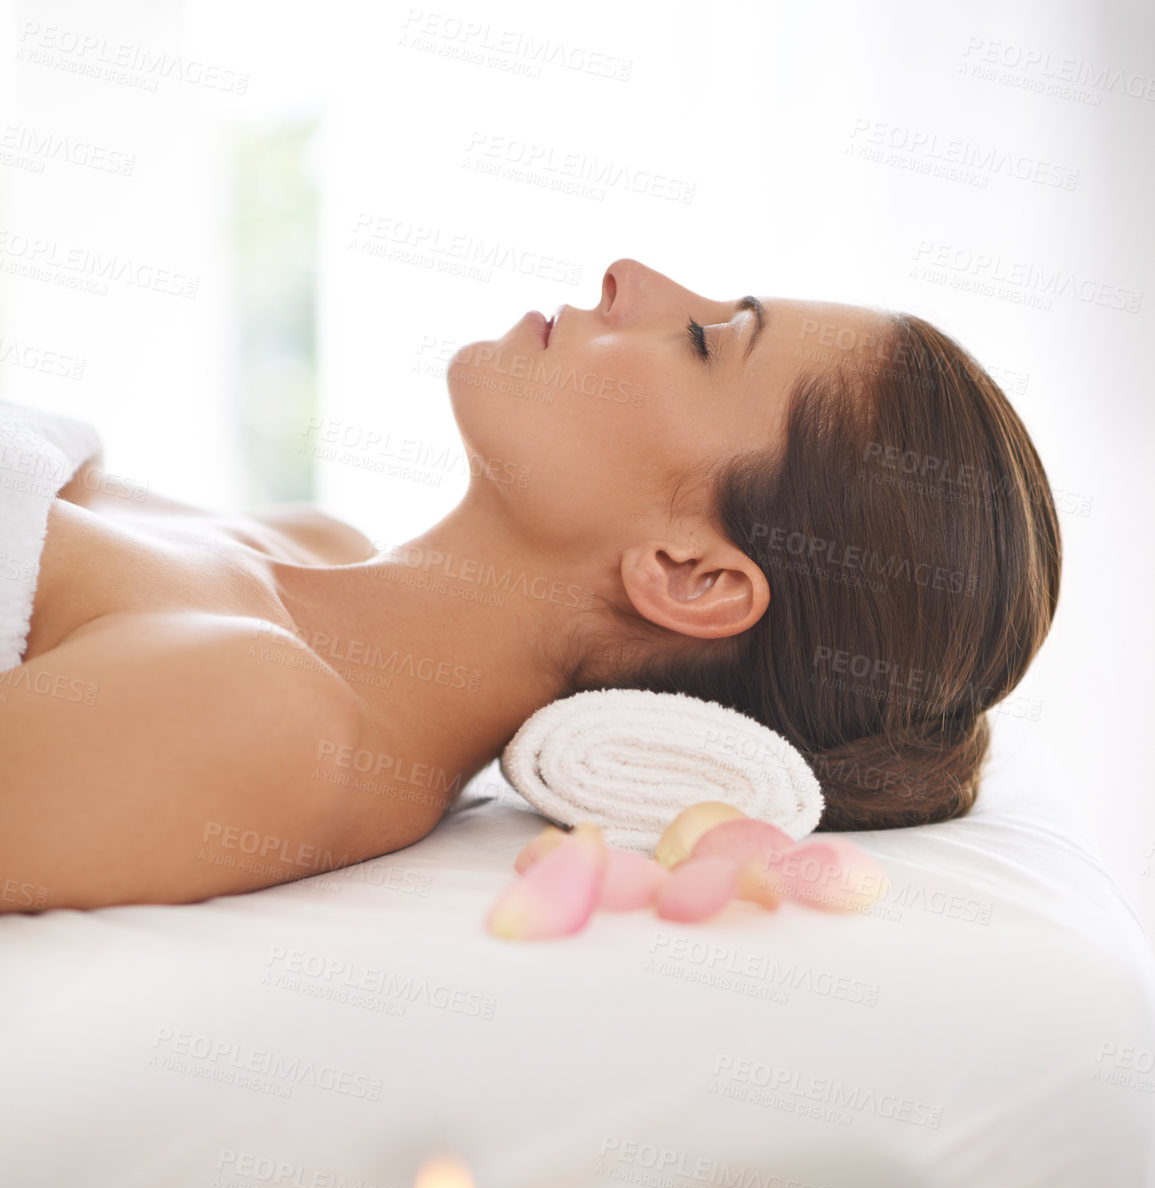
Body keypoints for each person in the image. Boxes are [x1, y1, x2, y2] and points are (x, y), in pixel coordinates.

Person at [0, 258, 1059, 912]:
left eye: (702, 343)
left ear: (690, 577)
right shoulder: (313, 542)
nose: (626, 273)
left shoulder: (266, 724)